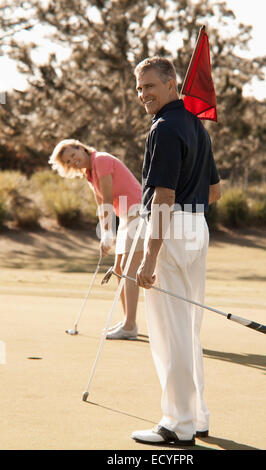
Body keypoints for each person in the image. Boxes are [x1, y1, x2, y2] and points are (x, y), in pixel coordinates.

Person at [131, 57, 221, 446]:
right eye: (138, 88)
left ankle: (178, 424)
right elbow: (215, 192)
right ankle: (197, 417)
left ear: (172, 84)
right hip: (196, 226)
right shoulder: (195, 126)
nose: (143, 94)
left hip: (172, 228)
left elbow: (163, 197)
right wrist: (188, 220)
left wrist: (150, 256)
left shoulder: (165, 128)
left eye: (149, 86)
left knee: (170, 333)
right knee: (189, 329)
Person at [49, 139, 144, 340]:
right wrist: (105, 234)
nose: (73, 161)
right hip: (127, 216)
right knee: (118, 270)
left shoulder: (100, 160)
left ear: (80, 147)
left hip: (138, 212)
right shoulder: (90, 174)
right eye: (68, 162)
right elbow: (101, 206)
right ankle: (129, 320)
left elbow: (108, 198)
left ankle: (130, 326)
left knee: (129, 269)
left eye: (73, 155)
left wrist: (110, 232)